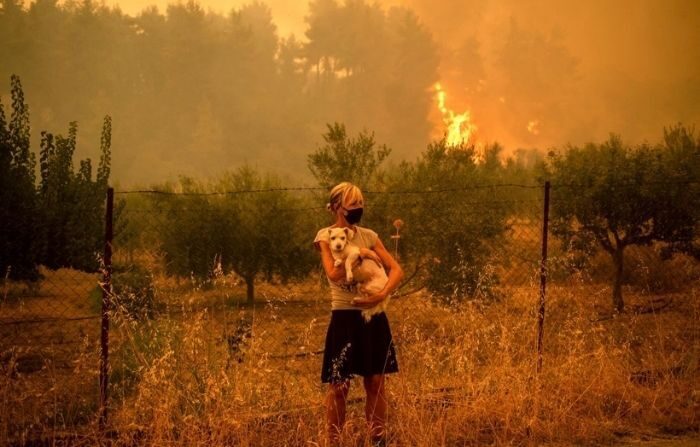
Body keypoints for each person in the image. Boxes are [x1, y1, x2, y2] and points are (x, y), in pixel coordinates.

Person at [313, 181, 404, 446]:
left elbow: (396, 270)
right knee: (339, 386)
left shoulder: (370, 235)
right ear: (337, 207)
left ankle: (378, 440)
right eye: (353, 204)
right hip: (344, 315)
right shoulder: (326, 236)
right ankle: (335, 441)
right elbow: (333, 272)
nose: (358, 208)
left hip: (374, 314)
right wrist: (362, 254)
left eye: (360, 203)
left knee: (376, 382)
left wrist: (381, 294)